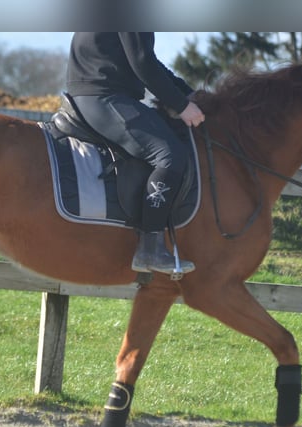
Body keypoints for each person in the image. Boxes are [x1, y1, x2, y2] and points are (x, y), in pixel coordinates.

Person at [66, 32, 205, 275]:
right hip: (105, 96)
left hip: (95, 93)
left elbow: (145, 60)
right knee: (169, 155)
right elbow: (142, 61)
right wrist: (182, 106)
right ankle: (150, 248)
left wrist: (187, 92)